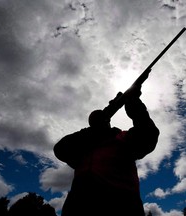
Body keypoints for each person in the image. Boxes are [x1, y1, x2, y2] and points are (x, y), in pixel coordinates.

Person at [53, 86, 160, 216]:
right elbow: (60, 149)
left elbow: (148, 135)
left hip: (121, 205)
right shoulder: (82, 148)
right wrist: (92, 130)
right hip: (78, 206)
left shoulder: (122, 138)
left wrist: (132, 101)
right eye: (96, 120)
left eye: (101, 117)